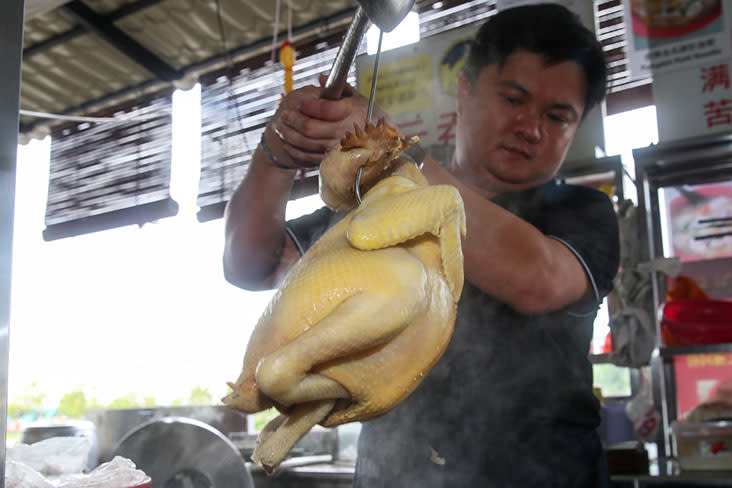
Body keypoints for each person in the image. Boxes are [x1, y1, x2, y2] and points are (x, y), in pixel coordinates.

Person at [223, 4, 619, 487]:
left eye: (557, 116)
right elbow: (251, 265)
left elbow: (537, 279)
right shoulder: (376, 200)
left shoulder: (585, 213)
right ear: (465, 89)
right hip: (395, 475)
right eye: (514, 99)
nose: (530, 127)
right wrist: (276, 154)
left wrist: (396, 150)